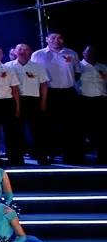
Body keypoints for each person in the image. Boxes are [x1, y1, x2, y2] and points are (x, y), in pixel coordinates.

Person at [32, 32, 82, 163]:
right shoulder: (38, 54)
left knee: (70, 126)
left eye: (60, 38)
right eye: (53, 37)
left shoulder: (72, 53)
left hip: (68, 93)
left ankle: (71, 155)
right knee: (47, 126)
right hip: (48, 93)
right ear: (47, 39)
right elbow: (33, 73)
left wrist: (67, 82)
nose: (56, 40)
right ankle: (47, 155)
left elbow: (77, 73)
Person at [7, 43, 50, 164]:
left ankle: (41, 157)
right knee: (15, 131)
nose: (23, 51)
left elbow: (44, 85)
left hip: (33, 101)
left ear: (30, 52)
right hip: (14, 101)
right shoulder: (8, 66)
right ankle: (16, 158)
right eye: (20, 49)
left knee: (37, 130)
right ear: (15, 52)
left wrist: (43, 102)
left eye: (26, 49)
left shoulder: (37, 67)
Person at [77, 46, 107, 163]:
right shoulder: (78, 66)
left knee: (102, 129)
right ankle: (81, 155)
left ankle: (102, 155)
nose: (90, 54)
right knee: (85, 129)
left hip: (101, 100)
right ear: (83, 53)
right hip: (85, 101)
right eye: (88, 52)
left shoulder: (103, 67)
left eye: (93, 52)